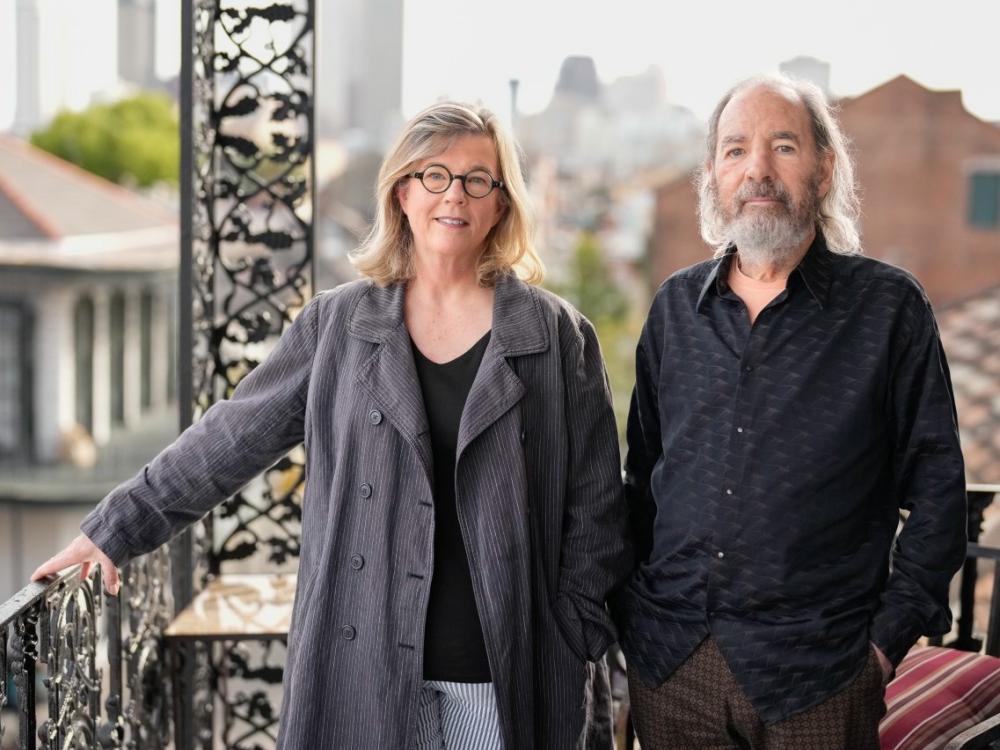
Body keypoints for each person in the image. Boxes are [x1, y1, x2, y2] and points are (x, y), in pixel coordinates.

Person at [33, 101, 630, 749]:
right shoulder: (338, 327)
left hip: (505, 671)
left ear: (500, 204)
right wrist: (115, 528)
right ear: (402, 192)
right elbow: (232, 437)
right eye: (435, 175)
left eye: (477, 180)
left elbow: (597, 508)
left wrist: (576, 629)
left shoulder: (555, 337)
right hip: (363, 666)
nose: (453, 195)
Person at [612, 75, 967, 749]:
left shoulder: (889, 311)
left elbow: (939, 490)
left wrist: (884, 645)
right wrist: (635, 615)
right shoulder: (673, 310)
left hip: (820, 676)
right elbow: (644, 478)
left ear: (825, 166)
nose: (758, 170)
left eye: (783, 146)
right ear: (713, 173)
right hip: (674, 664)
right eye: (736, 150)